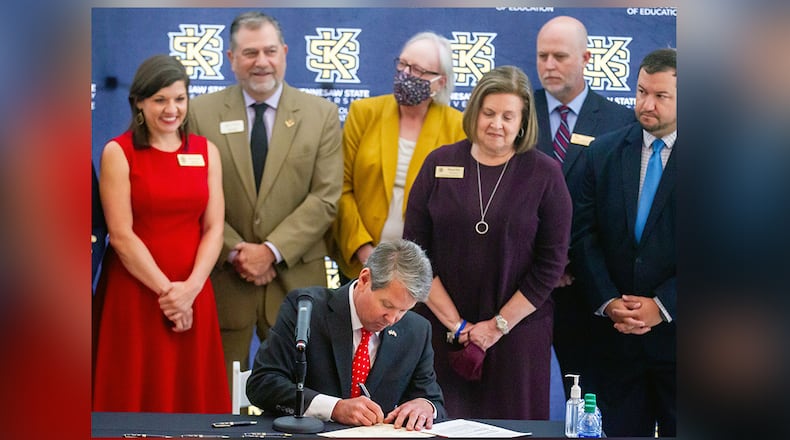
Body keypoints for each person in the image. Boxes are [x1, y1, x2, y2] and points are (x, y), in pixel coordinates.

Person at [403, 65, 572, 419]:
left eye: (508, 116)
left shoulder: (546, 174)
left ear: (523, 121)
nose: (497, 124)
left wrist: (496, 327)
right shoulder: (439, 163)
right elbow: (416, 253)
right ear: (474, 113)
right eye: (489, 113)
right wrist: (457, 325)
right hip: (442, 330)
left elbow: (551, 264)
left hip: (518, 335)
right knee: (439, 423)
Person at [189, 11, 343, 387]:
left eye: (270, 51)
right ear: (231, 58)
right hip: (225, 280)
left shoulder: (321, 114)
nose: (261, 62)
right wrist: (237, 251)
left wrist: (271, 251)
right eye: (250, 52)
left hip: (296, 282)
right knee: (219, 398)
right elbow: (194, 194)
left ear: (285, 53)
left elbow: (325, 197)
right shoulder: (198, 113)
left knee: (302, 397)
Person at [92, 54, 230, 412]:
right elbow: (120, 235)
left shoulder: (206, 151)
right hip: (136, 292)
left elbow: (214, 228)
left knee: (191, 397)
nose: (172, 109)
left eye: (179, 98)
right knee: (132, 391)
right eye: (160, 100)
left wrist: (190, 290)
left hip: (194, 291)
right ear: (139, 102)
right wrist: (169, 294)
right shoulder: (118, 152)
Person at [571, 48, 677, 437]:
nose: (646, 104)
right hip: (615, 341)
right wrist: (610, 302)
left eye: (661, 96)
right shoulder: (603, 152)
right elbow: (583, 236)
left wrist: (662, 306)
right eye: (642, 91)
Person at [533, 15, 636, 397]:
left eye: (560, 56)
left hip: (590, 291)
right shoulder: (515, 113)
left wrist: (574, 264)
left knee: (590, 399)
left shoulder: (619, 120)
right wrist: (546, 265)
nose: (549, 65)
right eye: (542, 56)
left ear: (586, 58)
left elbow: (620, 210)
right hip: (522, 288)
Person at [247, 239, 445, 430]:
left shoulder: (416, 330)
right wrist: (334, 408)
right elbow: (263, 384)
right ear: (365, 279)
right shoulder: (307, 309)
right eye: (387, 305)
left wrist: (425, 407)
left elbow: (432, 399)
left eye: (403, 310)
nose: (392, 319)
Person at [332, 31, 465, 281]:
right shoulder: (364, 113)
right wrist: (364, 250)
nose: (406, 74)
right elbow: (341, 188)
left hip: (422, 272)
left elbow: (458, 206)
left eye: (417, 70)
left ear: (440, 82)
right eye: (403, 64)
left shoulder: (458, 128)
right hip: (361, 263)